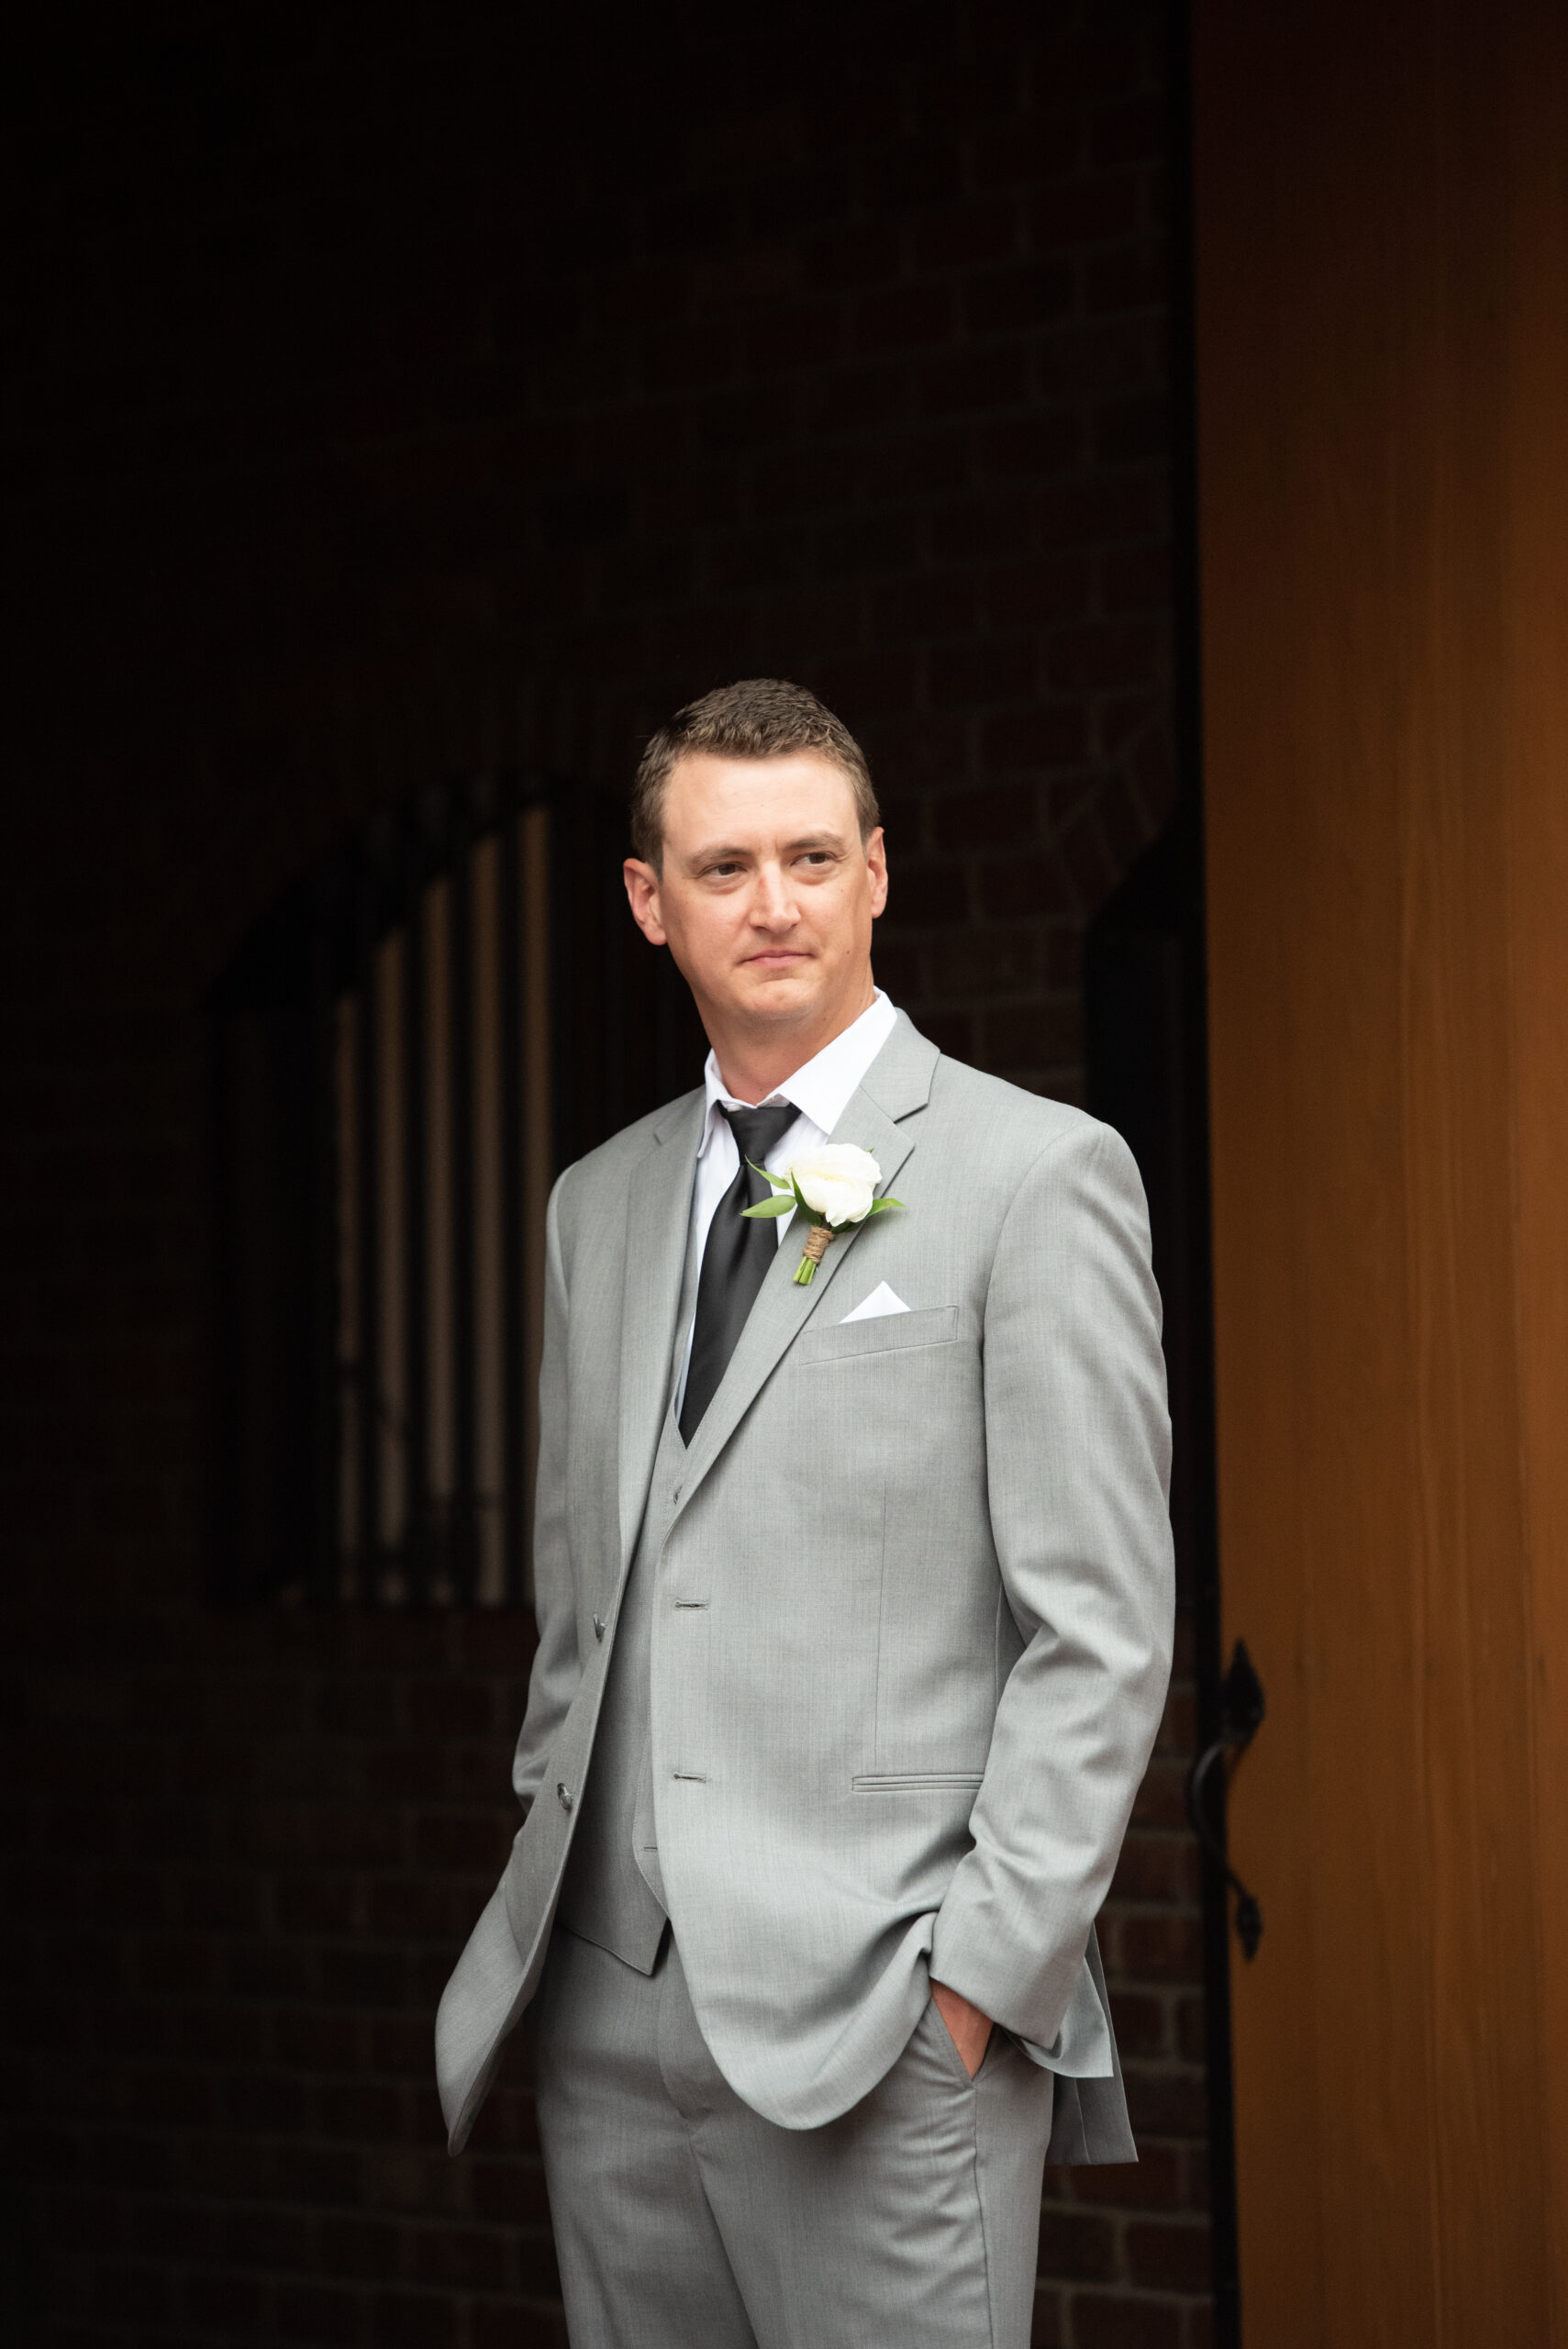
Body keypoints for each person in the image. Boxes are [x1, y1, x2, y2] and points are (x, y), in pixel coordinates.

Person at [436, 678, 1174, 2348]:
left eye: (811, 858)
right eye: (721, 868)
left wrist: (977, 1981)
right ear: (647, 902)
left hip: (885, 2024)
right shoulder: (597, 1204)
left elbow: (1102, 1628)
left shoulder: (1031, 1173)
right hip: (612, 2022)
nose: (773, 904)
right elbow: (585, 1601)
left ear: (876, 875)